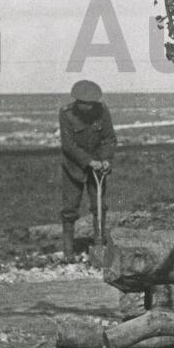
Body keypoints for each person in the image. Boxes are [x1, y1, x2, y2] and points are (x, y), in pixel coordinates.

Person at [60, 79, 117, 257]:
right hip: (74, 166)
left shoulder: (103, 111)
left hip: (99, 166)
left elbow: (109, 138)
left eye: (90, 104)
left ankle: (99, 244)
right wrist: (88, 161)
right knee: (70, 208)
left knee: (99, 206)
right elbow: (68, 145)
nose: (87, 108)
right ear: (77, 102)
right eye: (83, 104)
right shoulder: (66, 114)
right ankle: (68, 252)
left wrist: (106, 159)